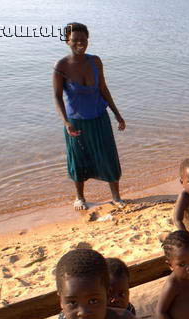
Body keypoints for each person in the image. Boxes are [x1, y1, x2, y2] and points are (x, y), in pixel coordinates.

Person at [53, 22, 126, 211]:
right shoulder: (61, 66)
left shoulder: (95, 61)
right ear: (67, 41)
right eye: (75, 40)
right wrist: (66, 122)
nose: (80, 43)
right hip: (75, 122)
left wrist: (117, 114)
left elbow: (103, 89)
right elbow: (57, 96)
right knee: (78, 158)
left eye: (83, 40)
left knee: (108, 155)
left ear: (88, 40)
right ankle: (80, 198)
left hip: (99, 117)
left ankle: (116, 197)